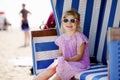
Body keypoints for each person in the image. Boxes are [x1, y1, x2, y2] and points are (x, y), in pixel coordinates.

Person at [35, 9, 90, 80]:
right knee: (51, 69)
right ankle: (38, 78)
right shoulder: (62, 38)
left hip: (78, 63)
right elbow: (60, 53)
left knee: (62, 71)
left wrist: (68, 60)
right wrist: (61, 59)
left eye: (72, 21)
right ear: (62, 22)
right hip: (65, 61)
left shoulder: (79, 37)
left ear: (78, 23)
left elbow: (79, 55)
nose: (69, 23)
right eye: (66, 20)